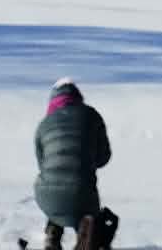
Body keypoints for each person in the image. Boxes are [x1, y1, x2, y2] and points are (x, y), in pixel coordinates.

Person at [33, 78, 113, 250]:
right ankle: (86, 240)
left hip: (46, 198)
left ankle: (52, 237)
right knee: (83, 205)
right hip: (83, 195)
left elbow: (43, 165)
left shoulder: (43, 125)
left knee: (55, 187)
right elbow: (104, 157)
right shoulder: (91, 115)